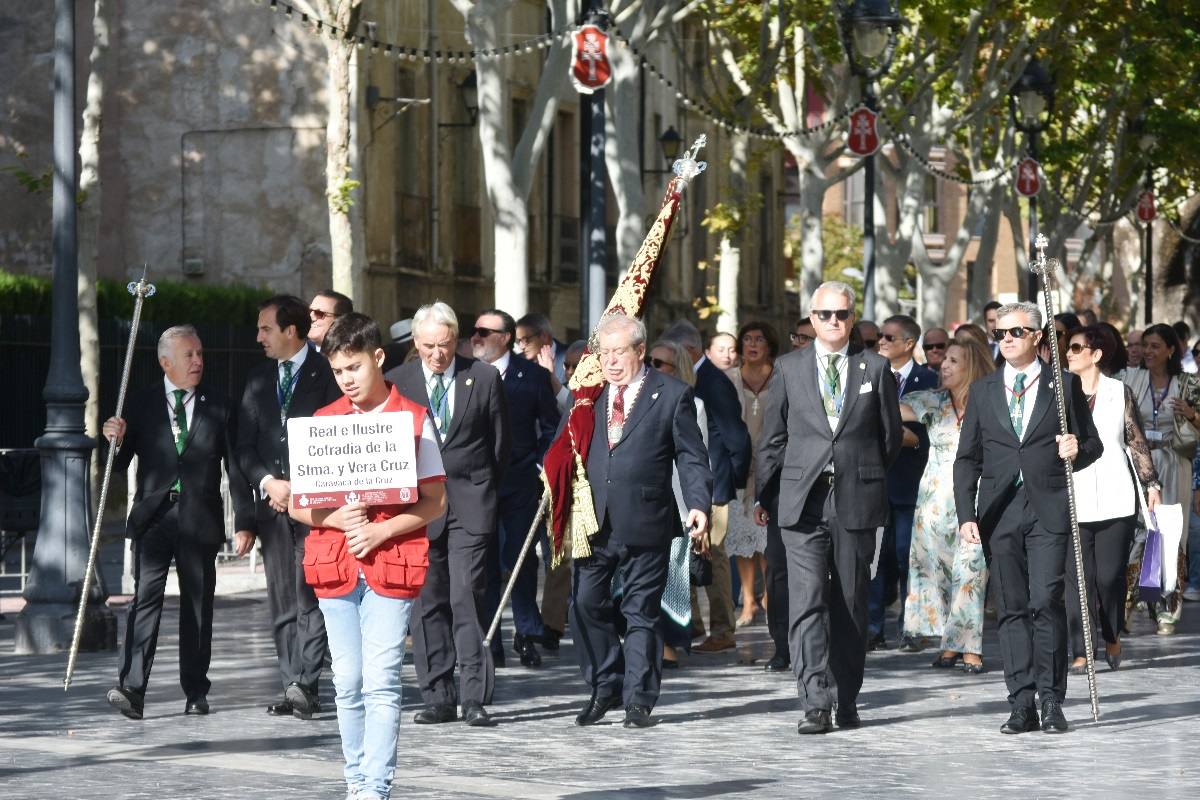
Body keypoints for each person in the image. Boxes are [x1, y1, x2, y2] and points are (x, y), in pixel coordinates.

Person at [289, 313, 447, 800]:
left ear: (378, 358)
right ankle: (355, 777)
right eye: (338, 371)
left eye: (354, 367)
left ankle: (373, 787)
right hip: (335, 564)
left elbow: (436, 501)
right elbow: (299, 503)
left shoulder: (414, 420)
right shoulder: (323, 422)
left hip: (390, 563)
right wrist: (336, 520)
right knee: (349, 681)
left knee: (381, 680)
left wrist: (380, 533)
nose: (347, 380)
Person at [755, 281, 903, 734]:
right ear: (812, 318)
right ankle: (814, 702)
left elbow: (889, 437)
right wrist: (769, 494)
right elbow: (772, 438)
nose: (833, 322)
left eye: (841, 314)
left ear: (852, 317)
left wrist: (862, 473)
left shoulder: (874, 368)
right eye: (824, 315)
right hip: (802, 501)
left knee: (850, 602)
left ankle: (847, 697)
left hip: (855, 499)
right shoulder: (789, 367)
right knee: (807, 601)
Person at [954, 301, 1101, 734]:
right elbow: (967, 459)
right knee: (1012, 609)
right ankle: (1021, 702)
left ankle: (1052, 699)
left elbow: (1092, 444)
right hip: (999, 512)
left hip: (1048, 507)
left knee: (1045, 603)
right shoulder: (982, 391)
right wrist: (967, 514)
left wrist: (1078, 450)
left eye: (1016, 332)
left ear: (1038, 337)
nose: (1007, 340)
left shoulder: (1064, 386)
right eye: (1001, 333)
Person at [103, 326, 254, 720]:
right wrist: (114, 439)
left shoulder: (219, 404)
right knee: (145, 601)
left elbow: (235, 468)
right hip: (154, 515)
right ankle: (132, 688)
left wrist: (245, 521)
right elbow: (117, 466)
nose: (198, 361)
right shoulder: (141, 403)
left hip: (199, 516)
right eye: (189, 355)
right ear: (165, 361)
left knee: (197, 605)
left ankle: (196, 691)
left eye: (200, 353)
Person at [572, 313, 712, 728]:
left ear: (639, 351)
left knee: (641, 612)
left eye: (619, 352)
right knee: (585, 604)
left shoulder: (670, 394)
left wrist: (698, 503)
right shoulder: (588, 395)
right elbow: (567, 447)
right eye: (604, 352)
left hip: (648, 518)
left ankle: (638, 701)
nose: (611, 361)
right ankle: (606, 682)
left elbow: (691, 455)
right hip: (593, 521)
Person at [384, 301, 509, 726]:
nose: (438, 354)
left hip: (470, 504)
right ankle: (437, 694)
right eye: (428, 346)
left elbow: (498, 445)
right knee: (427, 602)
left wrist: (484, 492)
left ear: (456, 339)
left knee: (466, 597)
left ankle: (474, 695)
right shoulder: (396, 383)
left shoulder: (484, 377)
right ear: (416, 344)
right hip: (418, 508)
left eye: (445, 344)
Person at [237, 295, 341, 719]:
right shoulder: (258, 379)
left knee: (310, 596)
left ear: (291, 331)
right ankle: (290, 684)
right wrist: (267, 483)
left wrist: (304, 486)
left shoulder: (327, 373)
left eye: (265, 329)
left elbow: (339, 436)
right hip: (273, 506)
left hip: (315, 507)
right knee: (282, 599)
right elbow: (242, 444)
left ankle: (307, 681)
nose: (258, 337)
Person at [1065, 325, 1161, 673]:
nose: (1070, 353)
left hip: (1116, 493)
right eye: (1068, 348)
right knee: (1078, 578)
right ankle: (1080, 648)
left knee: (1108, 577)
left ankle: (1111, 633)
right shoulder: (1058, 393)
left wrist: (1151, 484)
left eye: (1077, 348)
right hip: (1072, 496)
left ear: (1096, 354)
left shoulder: (1118, 391)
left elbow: (1135, 439)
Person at [900, 340, 994, 674]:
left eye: (954, 361)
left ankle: (970, 648)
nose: (945, 365)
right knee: (936, 573)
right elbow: (885, 411)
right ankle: (949, 644)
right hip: (934, 502)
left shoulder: (990, 401)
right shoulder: (933, 401)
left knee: (970, 574)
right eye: (945, 360)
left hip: (975, 498)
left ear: (972, 366)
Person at [474, 309, 560, 669]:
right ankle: (489, 640)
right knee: (486, 562)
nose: (475, 336)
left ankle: (526, 632)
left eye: (483, 331)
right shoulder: (469, 374)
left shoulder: (533, 376)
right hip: (478, 485)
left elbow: (551, 426)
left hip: (522, 481)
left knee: (521, 560)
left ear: (505, 337)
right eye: (473, 331)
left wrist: (541, 465)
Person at [659, 319, 751, 654]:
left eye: (664, 359)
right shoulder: (693, 381)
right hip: (686, 484)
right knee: (685, 555)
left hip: (713, 485)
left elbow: (736, 437)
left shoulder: (712, 382)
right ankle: (693, 622)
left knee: (713, 557)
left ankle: (723, 629)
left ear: (688, 350)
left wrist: (732, 480)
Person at [1122, 322, 1200, 635]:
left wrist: (1191, 415)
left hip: (1174, 463)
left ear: (1170, 350)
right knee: (1141, 535)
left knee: (1169, 535)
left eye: (1156, 346)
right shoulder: (1130, 378)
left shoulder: (1187, 384)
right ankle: (1132, 601)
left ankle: (1168, 607)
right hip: (1141, 465)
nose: (1149, 351)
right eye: (1145, 345)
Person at [871, 315, 938, 651]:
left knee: (909, 557)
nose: (881, 342)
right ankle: (871, 628)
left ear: (909, 343)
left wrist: (907, 437)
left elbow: (933, 432)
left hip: (912, 483)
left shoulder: (929, 379)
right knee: (875, 559)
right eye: (880, 337)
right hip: (873, 483)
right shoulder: (867, 374)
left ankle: (913, 628)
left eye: (888, 337)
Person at [646, 338, 708, 667]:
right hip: (642, 501)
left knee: (672, 579)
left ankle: (669, 645)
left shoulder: (692, 405)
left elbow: (696, 459)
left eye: (659, 364)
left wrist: (697, 508)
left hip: (678, 503)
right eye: (649, 361)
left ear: (677, 370)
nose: (651, 369)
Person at [724, 322, 780, 630]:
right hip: (738, 470)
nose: (753, 344)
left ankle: (770, 597)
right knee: (742, 537)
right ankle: (747, 600)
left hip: (773, 468)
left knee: (768, 539)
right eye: (747, 339)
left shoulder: (782, 378)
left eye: (759, 338)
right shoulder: (728, 380)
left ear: (769, 345)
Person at [540, 340, 588, 647]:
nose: (569, 371)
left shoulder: (595, 395)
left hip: (592, 491)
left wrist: (554, 379)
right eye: (566, 366)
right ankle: (552, 624)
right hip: (564, 488)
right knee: (559, 556)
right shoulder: (573, 396)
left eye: (574, 365)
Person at [514, 312, 568, 407]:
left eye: (526, 340)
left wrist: (551, 378)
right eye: (519, 341)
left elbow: (574, 405)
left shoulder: (571, 358)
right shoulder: (516, 362)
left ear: (544, 336)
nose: (521, 346)